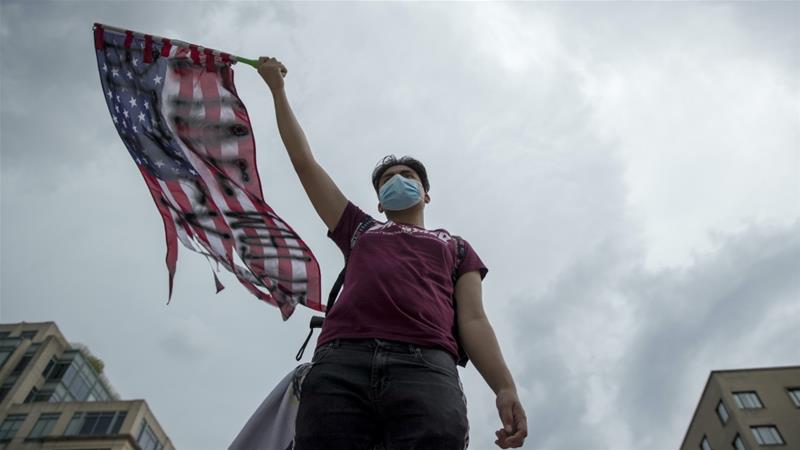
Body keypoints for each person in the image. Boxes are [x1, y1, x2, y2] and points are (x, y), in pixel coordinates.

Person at [258, 56, 527, 450]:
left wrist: (504, 386)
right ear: (380, 202)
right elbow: (304, 164)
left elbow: (473, 318)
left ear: (426, 192)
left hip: (427, 367)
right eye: (387, 179)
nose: (397, 181)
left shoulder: (456, 247)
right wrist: (277, 90)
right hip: (341, 361)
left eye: (408, 177)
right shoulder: (359, 228)